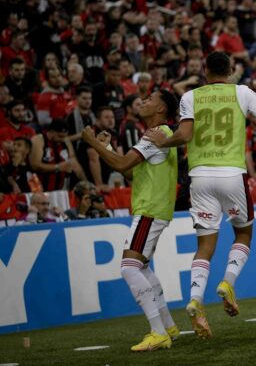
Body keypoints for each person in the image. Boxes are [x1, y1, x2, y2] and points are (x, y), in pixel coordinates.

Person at [144, 51, 256, 339]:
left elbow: (185, 135)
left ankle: (195, 299)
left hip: (200, 177)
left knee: (204, 245)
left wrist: (165, 141)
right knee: (243, 234)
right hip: (232, 174)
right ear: (230, 70)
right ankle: (228, 281)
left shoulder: (190, 96)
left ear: (205, 71)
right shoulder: (242, 92)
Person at [82, 90, 180, 351]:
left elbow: (122, 165)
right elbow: (133, 173)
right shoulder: (162, 135)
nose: (144, 101)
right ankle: (169, 326)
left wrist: (92, 143)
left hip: (150, 209)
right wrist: (107, 148)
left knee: (129, 268)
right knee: (142, 267)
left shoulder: (155, 134)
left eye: (150, 99)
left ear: (160, 109)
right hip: (155, 208)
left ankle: (158, 332)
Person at [30, 119, 85, 191]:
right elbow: (34, 165)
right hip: (39, 189)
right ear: (52, 132)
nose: (63, 139)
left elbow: (75, 164)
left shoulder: (65, 141)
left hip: (60, 190)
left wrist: (85, 182)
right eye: (60, 136)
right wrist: (57, 167)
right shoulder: (39, 140)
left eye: (65, 136)